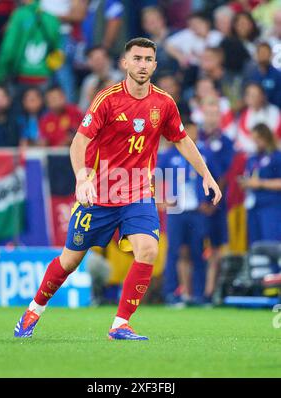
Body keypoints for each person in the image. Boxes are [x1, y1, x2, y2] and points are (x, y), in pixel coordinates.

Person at [14, 37, 221, 340]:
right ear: (125, 63)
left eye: (148, 59)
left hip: (138, 194)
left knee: (148, 249)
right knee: (70, 261)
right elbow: (79, 142)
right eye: (136, 59)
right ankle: (33, 310)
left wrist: (206, 174)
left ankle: (120, 323)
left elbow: (181, 139)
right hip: (100, 193)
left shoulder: (163, 103)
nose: (142, 64)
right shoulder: (107, 99)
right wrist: (82, 179)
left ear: (154, 64)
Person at [160, 121, 208, 306]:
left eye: (195, 131)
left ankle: (198, 295)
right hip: (176, 210)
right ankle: (171, 293)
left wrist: (209, 203)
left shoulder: (203, 155)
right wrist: (161, 200)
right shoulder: (170, 155)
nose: (192, 135)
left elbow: (217, 177)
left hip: (196, 211)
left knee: (198, 252)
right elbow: (152, 174)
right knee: (173, 251)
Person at [198, 95, 235, 302]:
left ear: (220, 117)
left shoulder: (226, 142)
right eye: (208, 113)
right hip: (195, 206)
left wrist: (214, 201)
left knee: (217, 247)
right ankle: (194, 290)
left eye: (215, 114)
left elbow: (224, 175)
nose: (212, 117)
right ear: (203, 114)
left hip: (216, 205)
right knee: (195, 249)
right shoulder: (194, 139)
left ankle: (211, 291)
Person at [240, 123, 281, 245]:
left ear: (265, 137)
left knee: (271, 244)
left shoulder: (276, 157)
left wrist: (260, 183)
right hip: (253, 206)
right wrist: (245, 183)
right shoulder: (253, 158)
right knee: (255, 245)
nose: (256, 143)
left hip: (271, 206)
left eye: (258, 140)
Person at [237, 82, 281, 153]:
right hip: (250, 154)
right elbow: (242, 139)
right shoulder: (243, 115)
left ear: (262, 96)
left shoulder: (274, 112)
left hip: (272, 153)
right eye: (248, 95)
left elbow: (273, 136)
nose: (250, 98)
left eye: (254, 95)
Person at [78, 46, 122, 112]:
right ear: (89, 62)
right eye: (94, 59)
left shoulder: (120, 77)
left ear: (108, 59)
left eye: (100, 58)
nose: (98, 62)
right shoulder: (89, 81)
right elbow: (82, 109)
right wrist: (91, 99)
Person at [244, 41, 281, 109]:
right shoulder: (252, 75)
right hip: (255, 111)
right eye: (261, 53)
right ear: (256, 55)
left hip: (274, 112)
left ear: (270, 55)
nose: (263, 55)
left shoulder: (278, 76)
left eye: (265, 53)